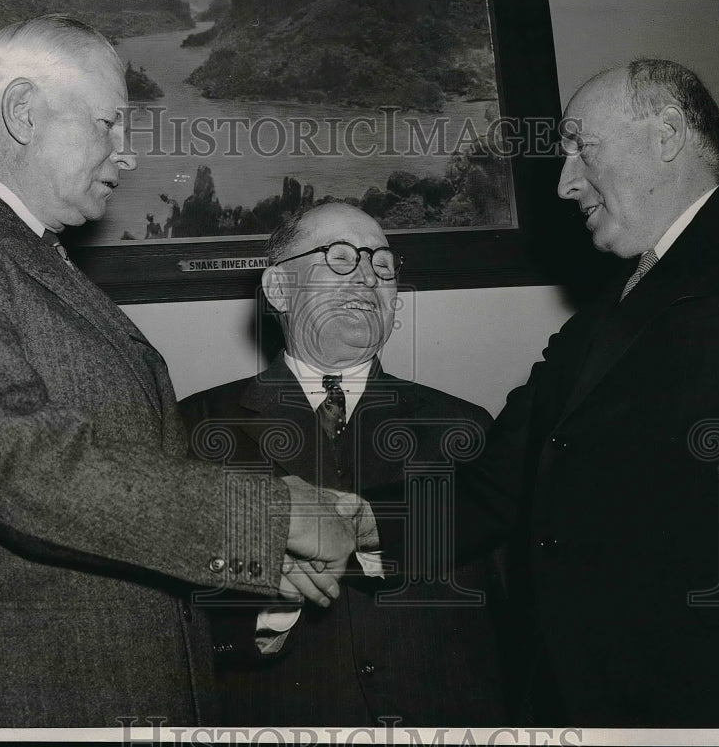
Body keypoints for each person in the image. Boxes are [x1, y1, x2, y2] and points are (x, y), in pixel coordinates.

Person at [0, 14, 356, 728]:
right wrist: (272, 515)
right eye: (108, 124)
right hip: (14, 699)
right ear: (24, 111)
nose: (126, 156)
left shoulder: (38, 261)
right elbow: (20, 462)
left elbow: (125, 496)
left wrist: (255, 559)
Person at [363, 58, 719, 727]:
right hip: (590, 704)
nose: (566, 181)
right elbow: (489, 493)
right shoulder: (585, 332)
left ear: (665, 136)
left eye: (581, 145)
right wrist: (319, 526)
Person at [179, 203, 510, 726]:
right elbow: (174, 623)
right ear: (280, 290)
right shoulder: (194, 427)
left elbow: (515, 616)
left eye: (383, 264)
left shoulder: (465, 427)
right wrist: (266, 611)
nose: (369, 276)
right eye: (340, 258)